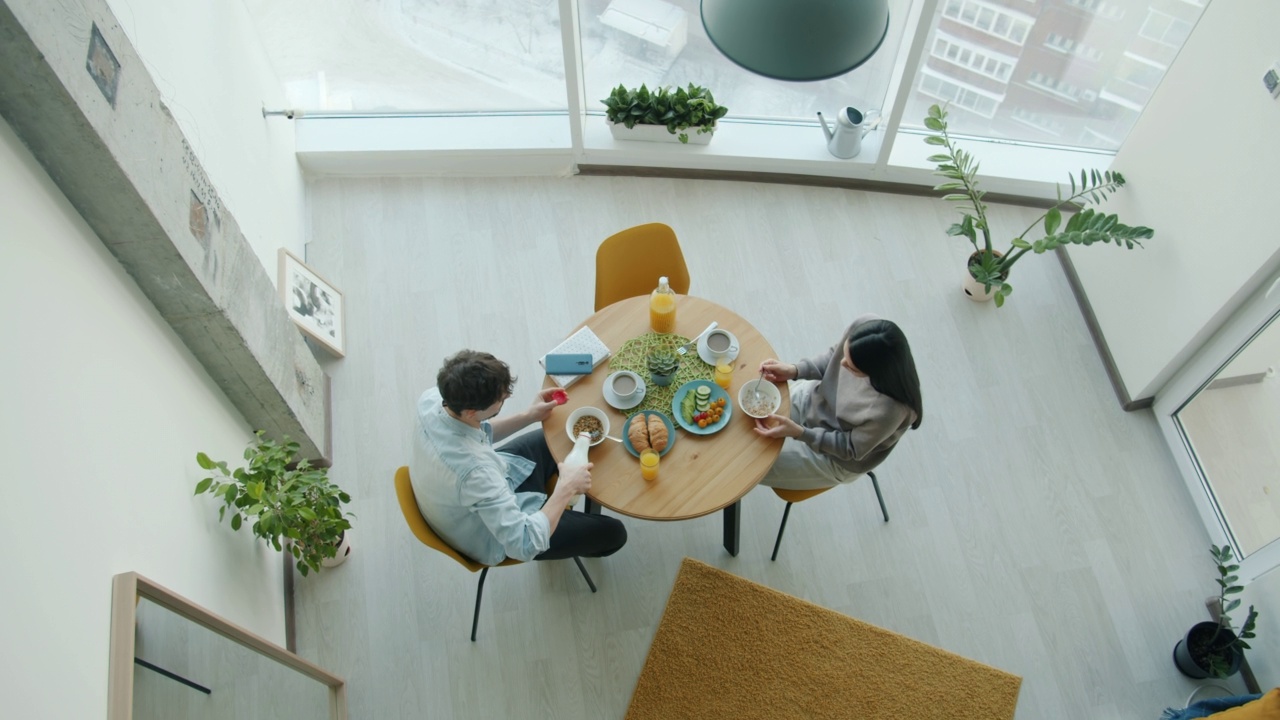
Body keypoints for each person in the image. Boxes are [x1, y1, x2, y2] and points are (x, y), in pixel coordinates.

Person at [411, 350, 627, 566]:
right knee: (615, 533)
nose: (507, 398)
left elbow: (477, 432)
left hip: (483, 483)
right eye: (501, 400)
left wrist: (528, 416)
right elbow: (524, 545)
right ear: (470, 411)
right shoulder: (476, 474)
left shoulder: (434, 399)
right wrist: (566, 488)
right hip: (494, 533)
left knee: (559, 438)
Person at [753, 315, 923, 491]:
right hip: (814, 401)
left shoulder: (889, 410)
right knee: (746, 425)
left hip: (835, 456)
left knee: (753, 466)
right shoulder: (863, 328)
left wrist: (800, 433)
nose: (842, 364)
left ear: (874, 374)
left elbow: (849, 448)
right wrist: (795, 370)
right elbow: (832, 359)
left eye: (851, 367)